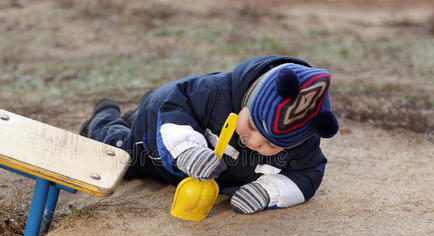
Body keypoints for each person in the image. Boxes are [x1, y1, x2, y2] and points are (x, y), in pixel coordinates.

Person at [80, 56, 339, 214]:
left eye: (272, 144)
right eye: (252, 125)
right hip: (155, 134)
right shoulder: (213, 93)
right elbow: (177, 105)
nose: (256, 142)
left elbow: (308, 174)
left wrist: (268, 192)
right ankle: (104, 113)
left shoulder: (302, 139)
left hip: (195, 162)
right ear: (247, 100)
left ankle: (132, 113)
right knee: (118, 157)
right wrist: (187, 150)